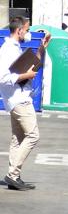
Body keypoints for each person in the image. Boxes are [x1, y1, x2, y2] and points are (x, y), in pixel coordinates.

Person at [0, 17, 51, 191]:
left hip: (18, 98)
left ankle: (14, 177)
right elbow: (4, 78)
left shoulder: (15, 48)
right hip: (19, 99)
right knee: (33, 135)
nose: (29, 33)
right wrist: (25, 76)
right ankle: (12, 173)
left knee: (18, 138)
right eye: (27, 30)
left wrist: (42, 48)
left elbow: (31, 68)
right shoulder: (7, 50)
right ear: (19, 31)